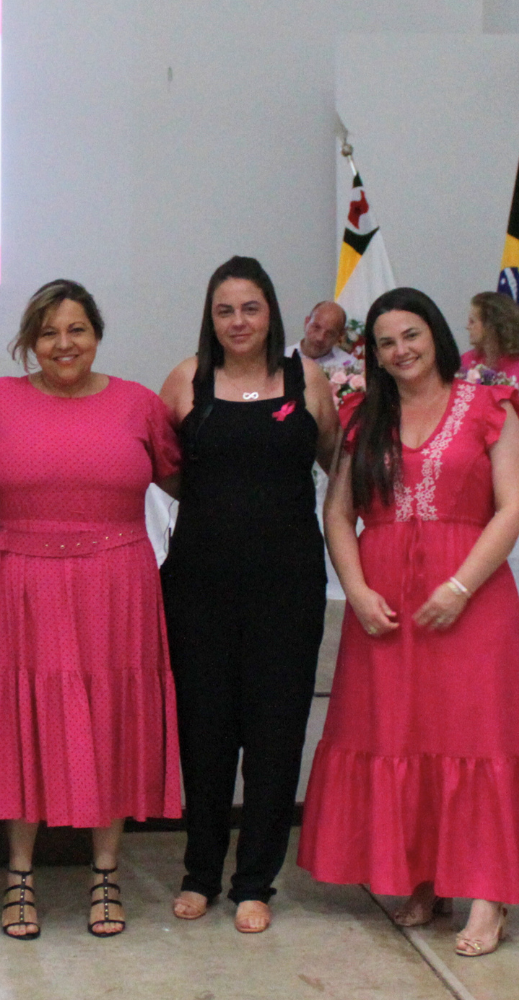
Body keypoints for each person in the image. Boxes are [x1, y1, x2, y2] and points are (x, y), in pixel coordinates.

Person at [298, 287, 519, 958]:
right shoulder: (363, 416)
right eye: (385, 342)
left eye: (410, 334)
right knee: (401, 734)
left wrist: (461, 586)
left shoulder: (491, 406)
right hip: (384, 604)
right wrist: (355, 589)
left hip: (470, 595)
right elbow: (337, 512)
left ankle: (489, 896)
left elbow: (515, 506)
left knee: (477, 736)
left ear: (436, 335)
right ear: (374, 354)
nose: (400, 350)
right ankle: (424, 878)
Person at [0, 279, 182, 940]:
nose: (63, 344)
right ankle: (19, 875)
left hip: (117, 581)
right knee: (25, 718)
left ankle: (105, 873)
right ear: (29, 341)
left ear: (97, 334)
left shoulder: (139, 404)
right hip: (26, 579)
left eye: (76, 330)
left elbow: (185, 482)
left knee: (110, 716)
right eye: (48, 333)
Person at [158, 257, 338, 934]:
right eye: (225, 310)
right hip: (199, 584)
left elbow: (337, 462)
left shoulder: (307, 379)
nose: (238, 322)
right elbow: (168, 471)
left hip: (287, 586)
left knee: (275, 733)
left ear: (272, 313)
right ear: (211, 318)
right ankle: (200, 873)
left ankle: (256, 880)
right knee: (204, 732)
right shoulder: (186, 379)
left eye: (250, 308)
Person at [296, 300, 355, 371]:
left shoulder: (349, 367)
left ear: (340, 336)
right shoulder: (285, 356)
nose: (320, 338)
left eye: (330, 333)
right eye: (316, 328)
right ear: (306, 322)